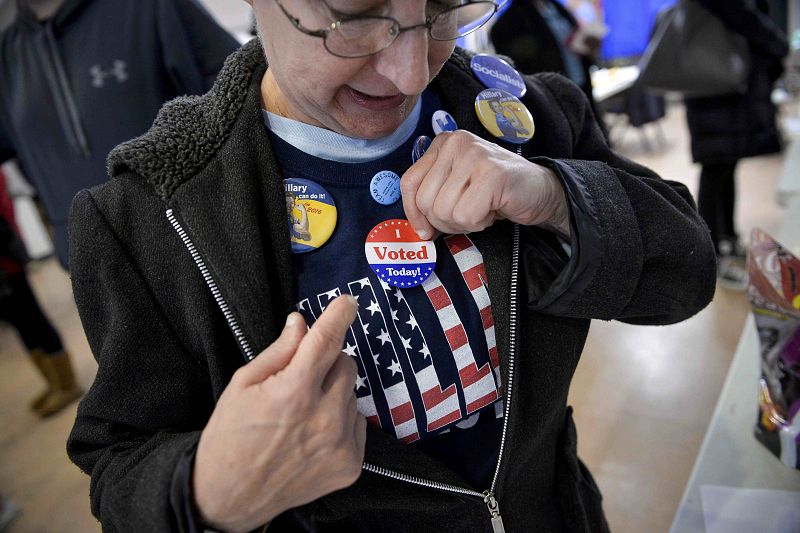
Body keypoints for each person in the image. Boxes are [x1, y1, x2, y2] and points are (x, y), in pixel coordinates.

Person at [66, 0, 716, 531]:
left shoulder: (524, 115)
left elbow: (685, 274)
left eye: (440, 9)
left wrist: (555, 197)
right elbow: (120, 464)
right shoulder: (149, 220)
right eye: (355, 16)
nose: (410, 73)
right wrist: (207, 488)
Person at [0, 0, 239, 268]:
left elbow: (240, 90)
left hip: (198, 246)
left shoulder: (152, 7)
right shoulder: (7, 55)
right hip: (94, 268)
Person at [683, 0, 789, 290]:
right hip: (717, 81)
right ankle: (712, 255)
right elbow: (741, 14)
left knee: (724, 165)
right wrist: (779, 45)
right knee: (715, 168)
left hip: (720, 79)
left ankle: (726, 240)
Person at [0, 168, 81, 416]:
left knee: (32, 319)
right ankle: (53, 381)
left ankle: (67, 384)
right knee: (21, 325)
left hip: (6, 262)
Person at [490, 0, 606, 131]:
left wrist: (589, 45)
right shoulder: (508, 24)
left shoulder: (556, 8)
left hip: (579, 83)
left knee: (592, 132)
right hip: (553, 98)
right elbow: (521, 69)